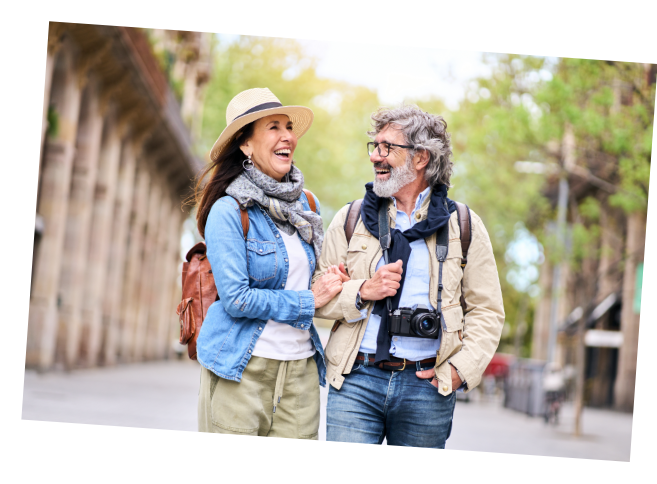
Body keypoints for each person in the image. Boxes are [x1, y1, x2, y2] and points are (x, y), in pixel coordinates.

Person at [314, 104, 505, 447]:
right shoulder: (351, 218)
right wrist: (362, 291)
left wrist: (459, 370)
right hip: (356, 378)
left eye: (388, 147)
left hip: (427, 387)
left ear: (421, 158)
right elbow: (317, 297)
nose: (376, 156)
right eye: (375, 146)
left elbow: (487, 311)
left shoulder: (463, 225)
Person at [192, 87, 343, 438]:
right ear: (245, 144)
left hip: (301, 374)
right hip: (240, 370)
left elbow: (309, 279)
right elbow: (237, 299)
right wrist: (309, 300)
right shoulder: (228, 211)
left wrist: (334, 280)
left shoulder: (307, 204)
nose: (287, 136)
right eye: (273, 127)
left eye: (289, 127)